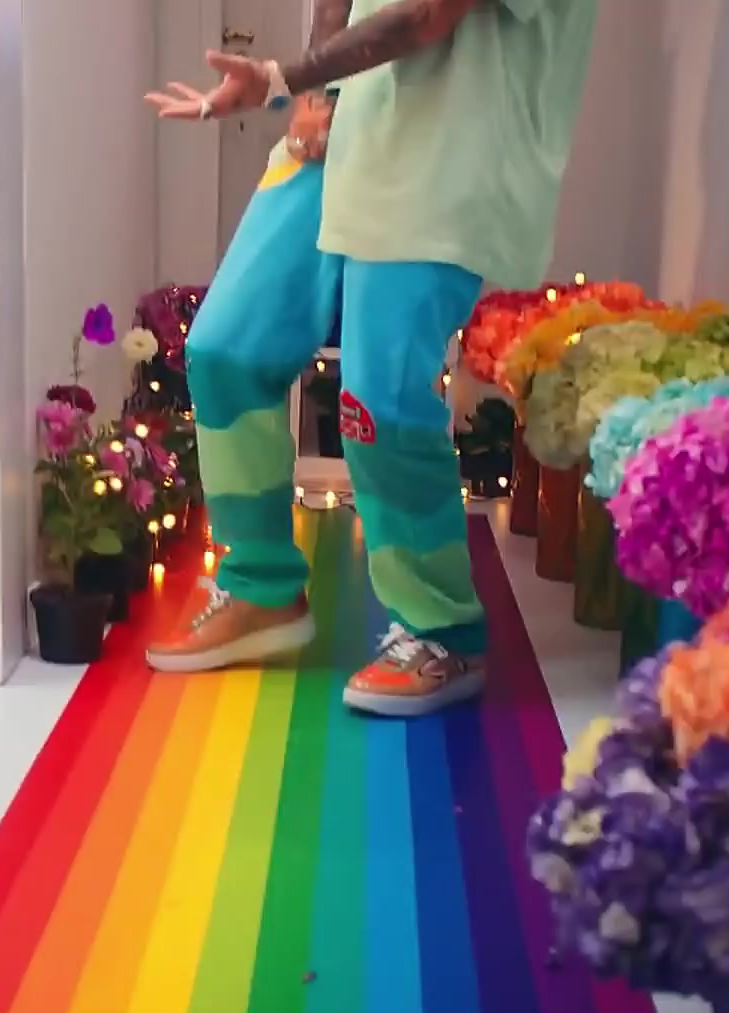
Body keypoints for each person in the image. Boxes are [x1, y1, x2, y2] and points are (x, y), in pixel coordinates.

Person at [141, 0, 597, 716]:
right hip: (345, 130)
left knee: (379, 400)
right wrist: (316, 93)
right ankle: (261, 587)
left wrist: (281, 76)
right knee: (226, 348)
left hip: (445, 157)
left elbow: (427, 14)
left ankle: (442, 630)